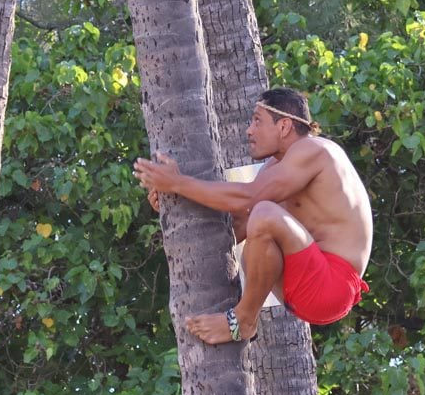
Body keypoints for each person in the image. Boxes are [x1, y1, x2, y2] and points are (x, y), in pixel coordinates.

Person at [133, 87, 372, 344]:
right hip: (299, 290)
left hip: (332, 287)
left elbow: (249, 199)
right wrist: (175, 204)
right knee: (258, 222)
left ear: (284, 126)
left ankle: (244, 319)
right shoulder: (275, 168)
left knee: (264, 212)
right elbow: (236, 228)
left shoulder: (314, 150)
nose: (249, 130)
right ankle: (244, 317)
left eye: (257, 120)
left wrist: (178, 183)